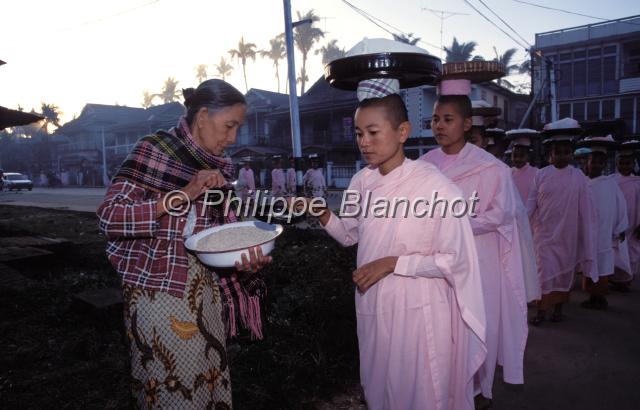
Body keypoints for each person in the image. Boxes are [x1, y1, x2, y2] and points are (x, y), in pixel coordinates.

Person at [298, 77, 487, 410]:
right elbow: (349, 235)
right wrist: (321, 213)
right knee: (380, 387)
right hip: (373, 307)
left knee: (421, 393)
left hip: (419, 311)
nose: (364, 143)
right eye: (358, 134)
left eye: (373, 132)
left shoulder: (436, 188)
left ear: (402, 132)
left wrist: (394, 263)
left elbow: (456, 261)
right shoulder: (362, 181)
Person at [97, 79, 272, 409]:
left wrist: (248, 260)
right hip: (157, 295)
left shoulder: (219, 169)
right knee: (170, 389)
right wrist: (185, 193)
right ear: (203, 116)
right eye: (229, 126)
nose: (232, 138)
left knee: (207, 385)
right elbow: (110, 217)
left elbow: (224, 237)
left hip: (205, 295)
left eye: (238, 128)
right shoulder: (154, 150)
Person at [422, 75, 529, 405]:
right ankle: (449, 389)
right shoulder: (424, 165)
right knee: (444, 329)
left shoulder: (492, 168)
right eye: (436, 119)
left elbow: (503, 214)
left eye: (448, 119)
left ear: (467, 123)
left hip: (480, 260)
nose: (439, 125)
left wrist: (460, 224)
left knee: (477, 324)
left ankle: (480, 388)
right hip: (439, 260)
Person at [527, 118, 598, 324]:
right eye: (558, 151)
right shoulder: (540, 175)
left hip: (568, 236)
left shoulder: (578, 177)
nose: (562, 155)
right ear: (550, 154)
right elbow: (531, 205)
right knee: (544, 273)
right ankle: (541, 312)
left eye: (566, 151)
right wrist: (519, 221)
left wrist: (586, 235)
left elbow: (586, 210)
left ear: (572, 154)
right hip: (544, 237)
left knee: (564, 275)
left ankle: (558, 310)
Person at [578, 136, 628, 309]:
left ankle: (601, 297)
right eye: (593, 161)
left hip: (604, 233)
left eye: (600, 162)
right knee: (589, 263)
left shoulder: (610, 184)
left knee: (603, 264)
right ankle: (592, 296)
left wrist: (620, 228)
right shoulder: (582, 183)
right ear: (587, 162)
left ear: (605, 164)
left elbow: (620, 207)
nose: (596, 165)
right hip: (587, 232)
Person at [612, 141, 640, 290]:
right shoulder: (612, 180)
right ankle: (616, 279)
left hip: (634, 222)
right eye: (621, 163)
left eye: (627, 163)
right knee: (617, 250)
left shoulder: (638, 182)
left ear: (633, 164)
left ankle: (627, 279)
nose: (624, 166)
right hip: (617, 222)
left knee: (632, 251)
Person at [507, 129, 539, 204]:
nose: (517, 159)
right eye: (515, 155)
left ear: (528, 156)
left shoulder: (536, 173)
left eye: (521, 155)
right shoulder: (508, 173)